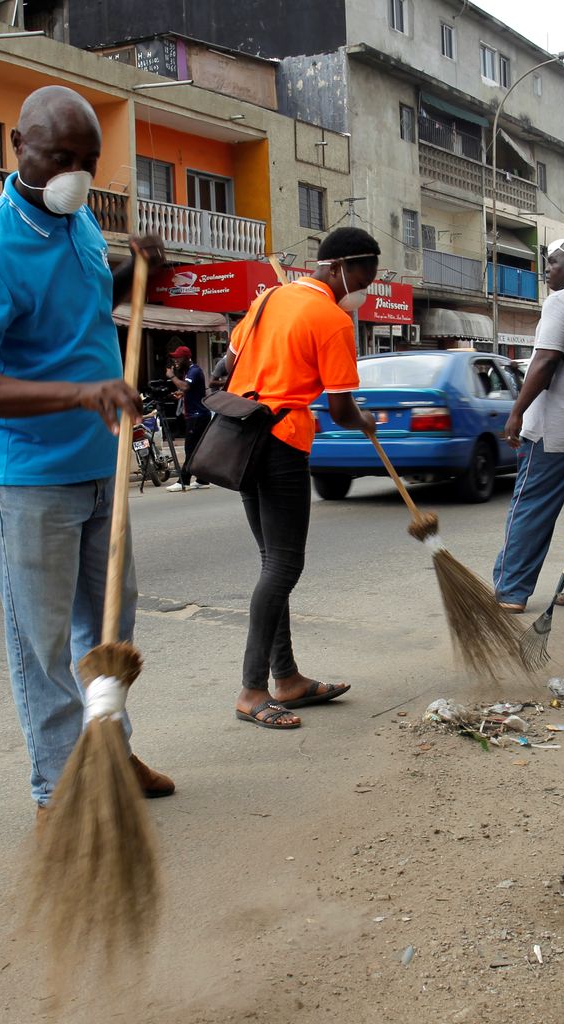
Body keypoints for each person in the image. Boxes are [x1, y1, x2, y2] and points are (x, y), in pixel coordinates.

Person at [0, 85, 173, 809]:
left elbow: (81, 312)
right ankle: (59, 792)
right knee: (42, 648)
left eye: (87, 161)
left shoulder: (78, 224)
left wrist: (138, 270)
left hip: (100, 464)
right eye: (58, 157)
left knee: (106, 631)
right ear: (19, 148)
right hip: (29, 478)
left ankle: (112, 751)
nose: (74, 172)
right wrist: (79, 395)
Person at [225, 226, 379, 729]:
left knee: (272, 562)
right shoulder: (331, 319)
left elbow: (229, 361)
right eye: (365, 275)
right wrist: (366, 422)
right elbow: (339, 408)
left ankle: (286, 678)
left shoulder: (269, 300)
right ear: (338, 267)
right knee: (283, 567)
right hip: (280, 442)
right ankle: (252, 690)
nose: (367, 288)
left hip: (241, 435)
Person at [492, 237, 564, 614]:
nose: (547, 270)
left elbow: (545, 360)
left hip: (555, 427)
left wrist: (516, 411)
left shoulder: (563, 301)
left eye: (552, 263)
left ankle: (510, 591)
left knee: (530, 507)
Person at [165, 342, 210, 492]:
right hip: (197, 415)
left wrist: (172, 377)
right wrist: (180, 394)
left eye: (178, 359)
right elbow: (188, 390)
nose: (175, 362)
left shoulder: (194, 371)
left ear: (186, 358)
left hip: (197, 416)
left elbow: (185, 386)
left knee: (190, 449)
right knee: (197, 448)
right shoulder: (188, 371)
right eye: (174, 359)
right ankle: (202, 479)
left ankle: (183, 480)